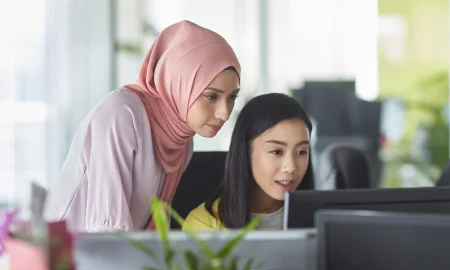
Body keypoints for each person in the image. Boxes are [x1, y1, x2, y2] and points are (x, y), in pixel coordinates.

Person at [44, 20, 241, 232]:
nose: (225, 113)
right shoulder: (121, 113)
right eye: (212, 96)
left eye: (232, 97)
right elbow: (107, 228)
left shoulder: (181, 140)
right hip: (65, 257)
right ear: (180, 84)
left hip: (116, 257)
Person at [183, 93, 314, 230]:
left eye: (301, 152)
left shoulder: (324, 218)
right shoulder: (204, 224)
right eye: (276, 151)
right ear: (245, 151)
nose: (291, 167)